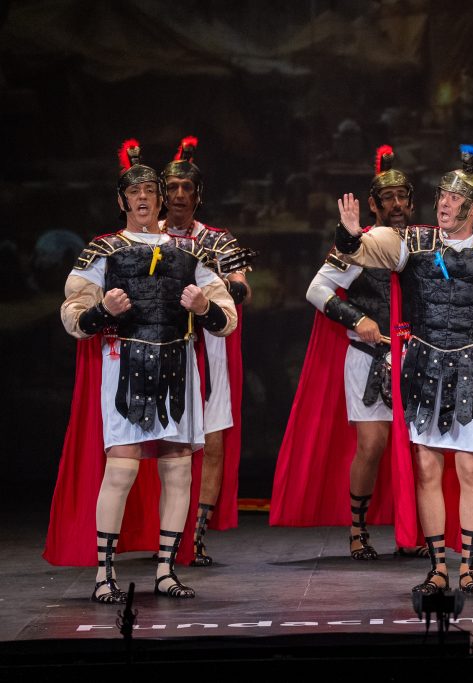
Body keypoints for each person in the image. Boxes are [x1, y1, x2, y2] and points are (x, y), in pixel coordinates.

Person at [333, 145, 473, 594]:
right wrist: (350, 235)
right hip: (423, 366)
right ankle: (438, 568)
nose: (445, 203)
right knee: (427, 468)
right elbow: (363, 250)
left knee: (471, 471)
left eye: (455, 199)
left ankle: (468, 568)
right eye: (442, 196)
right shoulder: (411, 242)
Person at [56, 139, 236, 602]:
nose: (142, 198)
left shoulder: (190, 252)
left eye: (150, 192)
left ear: (159, 200)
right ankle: (104, 575)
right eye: (134, 192)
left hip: (178, 368)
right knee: (121, 471)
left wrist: (204, 307)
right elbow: (72, 315)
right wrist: (103, 310)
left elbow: (227, 318)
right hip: (126, 369)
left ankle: (165, 571)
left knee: (178, 472)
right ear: (122, 201)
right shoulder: (103, 250)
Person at [271, 145, 421, 558]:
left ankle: (414, 532)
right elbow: (316, 289)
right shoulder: (359, 246)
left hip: (415, 359)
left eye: (402, 196)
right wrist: (357, 319)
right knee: (372, 445)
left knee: (419, 451)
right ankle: (357, 529)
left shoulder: (424, 244)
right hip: (367, 358)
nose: (396, 204)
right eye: (387, 198)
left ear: (411, 202)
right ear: (373, 205)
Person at [161, 136, 252, 566]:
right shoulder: (146, 237)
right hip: (161, 347)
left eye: (187, 188)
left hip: (210, 347)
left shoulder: (219, 240)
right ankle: (164, 533)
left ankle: (196, 536)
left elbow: (242, 288)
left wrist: (226, 287)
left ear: (198, 195)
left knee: (212, 443)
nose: (180, 195)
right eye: (172, 188)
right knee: (162, 446)